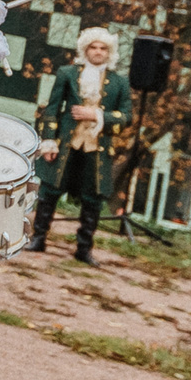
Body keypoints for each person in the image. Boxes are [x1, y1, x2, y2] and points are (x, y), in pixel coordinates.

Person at [33, 28, 128, 261]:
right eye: (93, 47)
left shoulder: (119, 82)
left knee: (93, 197)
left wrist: (95, 115)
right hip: (67, 143)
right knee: (50, 190)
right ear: (85, 49)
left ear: (109, 52)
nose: (98, 52)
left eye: (103, 48)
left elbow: (127, 117)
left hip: (97, 147)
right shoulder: (67, 73)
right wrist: (48, 141)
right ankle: (38, 238)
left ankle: (84, 249)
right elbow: (52, 108)